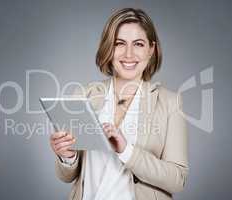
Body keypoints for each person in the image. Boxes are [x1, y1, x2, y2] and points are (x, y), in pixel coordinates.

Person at [49, 8, 189, 200]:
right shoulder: (83, 95)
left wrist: (127, 151)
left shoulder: (169, 102)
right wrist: (67, 155)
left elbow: (177, 179)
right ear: (109, 48)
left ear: (151, 49)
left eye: (138, 44)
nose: (129, 54)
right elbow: (68, 176)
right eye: (119, 43)